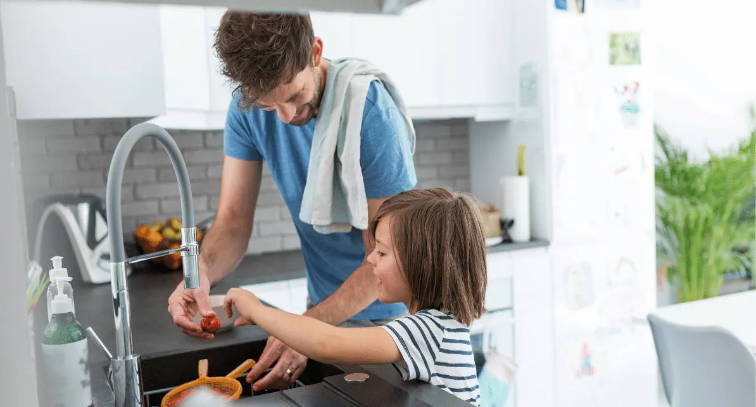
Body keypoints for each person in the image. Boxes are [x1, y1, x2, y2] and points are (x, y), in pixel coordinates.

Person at [166, 11, 417, 392]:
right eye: (270, 106)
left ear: (315, 52)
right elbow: (232, 222)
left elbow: (393, 254)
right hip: (319, 311)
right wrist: (197, 276)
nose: (285, 117)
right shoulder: (246, 110)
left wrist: (306, 329)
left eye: (295, 95)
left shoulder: (369, 110)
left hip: (387, 323)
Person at [224, 188, 487, 406]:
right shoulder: (439, 324)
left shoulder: (430, 331)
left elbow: (325, 343)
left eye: (382, 253)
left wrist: (255, 310)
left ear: (422, 264)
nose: (370, 259)